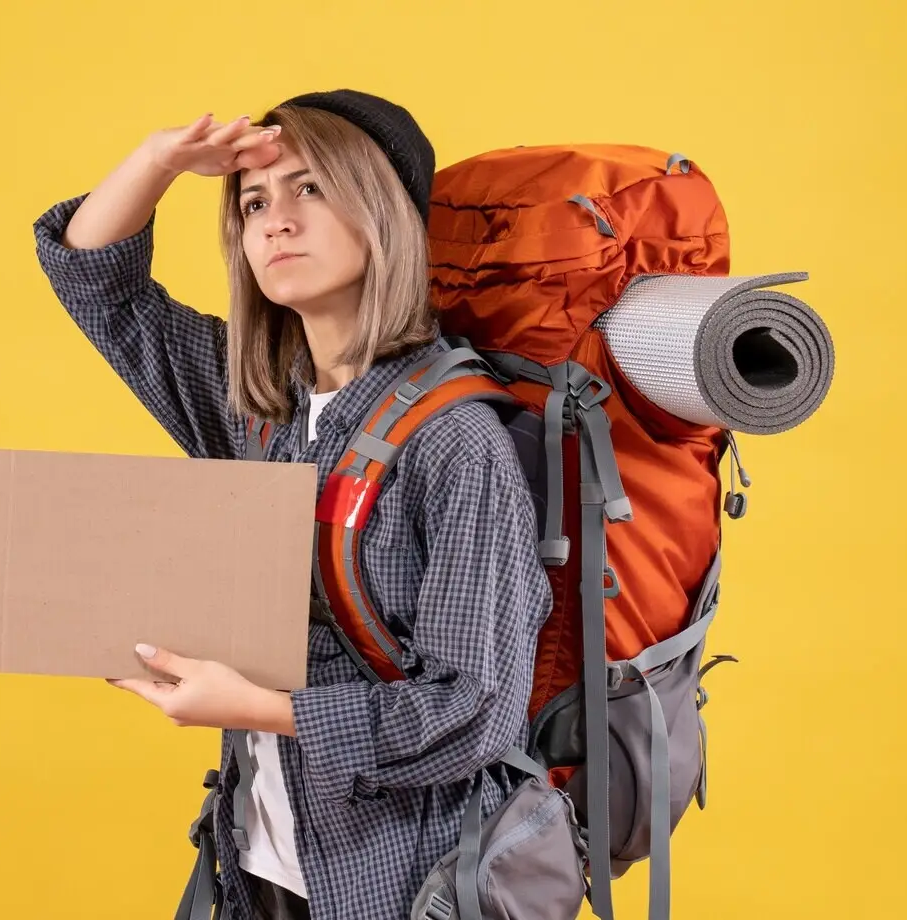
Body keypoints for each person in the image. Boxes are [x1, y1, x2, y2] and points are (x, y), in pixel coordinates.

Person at [32, 89, 553, 920]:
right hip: (262, 861)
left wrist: (253, 709)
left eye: (311, 188)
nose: (275, 221)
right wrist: (161, 162)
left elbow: (472, 711)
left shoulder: (457, 443)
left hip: (402, 878)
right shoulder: (257, 408)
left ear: (381, 211)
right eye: (253, 202)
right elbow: (98, 285)